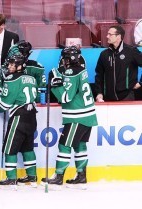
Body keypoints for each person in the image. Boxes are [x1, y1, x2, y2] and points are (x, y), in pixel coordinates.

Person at [41, 46, 98, 190]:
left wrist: (55, 85)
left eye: (65, 58)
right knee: (80, 146)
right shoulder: (82, 70)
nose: (63, 61)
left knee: (64, 145)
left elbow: (66, 97)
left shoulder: (71, 72)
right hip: (88, 115)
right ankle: (81, 176)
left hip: (76, 116)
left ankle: (59, 176)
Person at [0, 54, 38, 188]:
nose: (10, 66)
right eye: (9, 64)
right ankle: (32, 177)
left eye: (13, 64)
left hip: (19, 116)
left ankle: (11, 178)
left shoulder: (11, 79)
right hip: (32, 116)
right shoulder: (32, 78)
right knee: (28, 148)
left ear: (20, 66)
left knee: (9, 149)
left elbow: (4, 104)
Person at [95, 25, 142, 102]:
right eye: (107, 34)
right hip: (108, 98)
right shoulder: (104, 54)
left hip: (127, 97)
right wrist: (99, 92)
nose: (107, 36)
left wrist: (141, 83)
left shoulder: (131, 51)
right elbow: (99, 75)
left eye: (110, 34)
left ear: (118, 36)